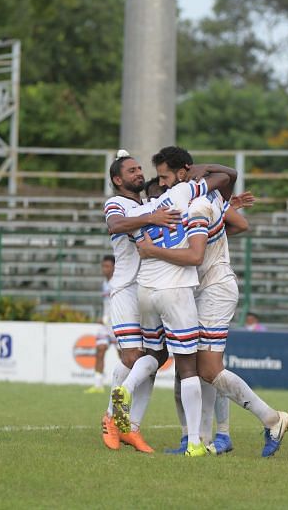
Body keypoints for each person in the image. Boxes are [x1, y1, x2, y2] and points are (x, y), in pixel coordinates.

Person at [135, 148, 288, 458]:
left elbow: (194, 255)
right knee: (191, 368)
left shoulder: (197, 206)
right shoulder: (205, 201)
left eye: (165, 176)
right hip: (200, 288)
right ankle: (200, 438)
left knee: (206, 369)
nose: (161, 183)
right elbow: (236, 221)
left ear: (182, 174)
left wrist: (153, 252)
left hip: (215, 289)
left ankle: (271, 419)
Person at [110, 146, 238, 457]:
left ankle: (126, 410)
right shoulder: (182, 192)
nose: (161, 181)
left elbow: (134, 238)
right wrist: (197, 172)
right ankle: (194, 441)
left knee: (153, 354)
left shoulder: (141, 212)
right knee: (188, 367)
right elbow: (224, 177)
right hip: (175, 290)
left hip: (145, 291)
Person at [99, 152, 180, 454]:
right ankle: (112, 418)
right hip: (125, 289)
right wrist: (151, 218)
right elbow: (115, 225)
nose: (138, 173)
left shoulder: (148, 204)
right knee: (133, 358)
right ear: (118, 180)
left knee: (154, 360)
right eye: (131, 170)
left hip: (149, 288)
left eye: (138, 169)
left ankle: (129, 427)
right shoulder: (116, 203)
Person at [85, 255, 117, 394]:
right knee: (100, 350)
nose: (104, 269)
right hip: (105, 325)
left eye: (107, 266)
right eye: (103, 266)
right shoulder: (105, 283)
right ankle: (98, 385)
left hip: (117, 325)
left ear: (114, 267)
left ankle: (126, 386)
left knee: (125, 357)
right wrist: (103, 318)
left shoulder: (118, 283)